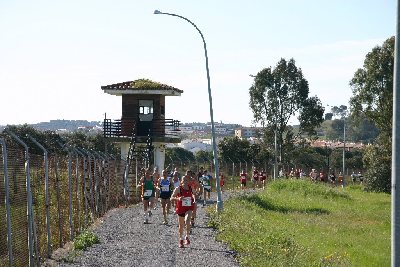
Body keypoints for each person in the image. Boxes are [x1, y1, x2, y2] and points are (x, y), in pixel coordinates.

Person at [170, 174, 195, 248]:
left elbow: (194, 194)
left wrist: (194, 198)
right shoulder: (178, 189)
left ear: (188, 181)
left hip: (189, 207)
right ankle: (181, 239)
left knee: (187, 221)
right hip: (181, 208)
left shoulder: (190, 188)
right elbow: (171, 197)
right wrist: (178, 198)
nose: (185, 181)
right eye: (184, 180)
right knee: (181, 226)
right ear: (181, 181)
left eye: (186, 180)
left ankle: (187, 237)